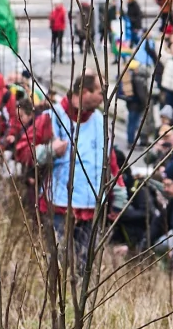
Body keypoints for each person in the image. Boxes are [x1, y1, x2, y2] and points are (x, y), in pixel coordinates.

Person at [31, 74, 114, 265]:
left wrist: (117, 193)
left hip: (91, 207)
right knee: (57, 264)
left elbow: (110, 162)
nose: (104, 98)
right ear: (85, 92)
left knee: (84, 265)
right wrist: (48, 151)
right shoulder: (52, 117)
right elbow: (25, 151)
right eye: (101, 93)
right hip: (59, 205)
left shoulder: (101, 123)